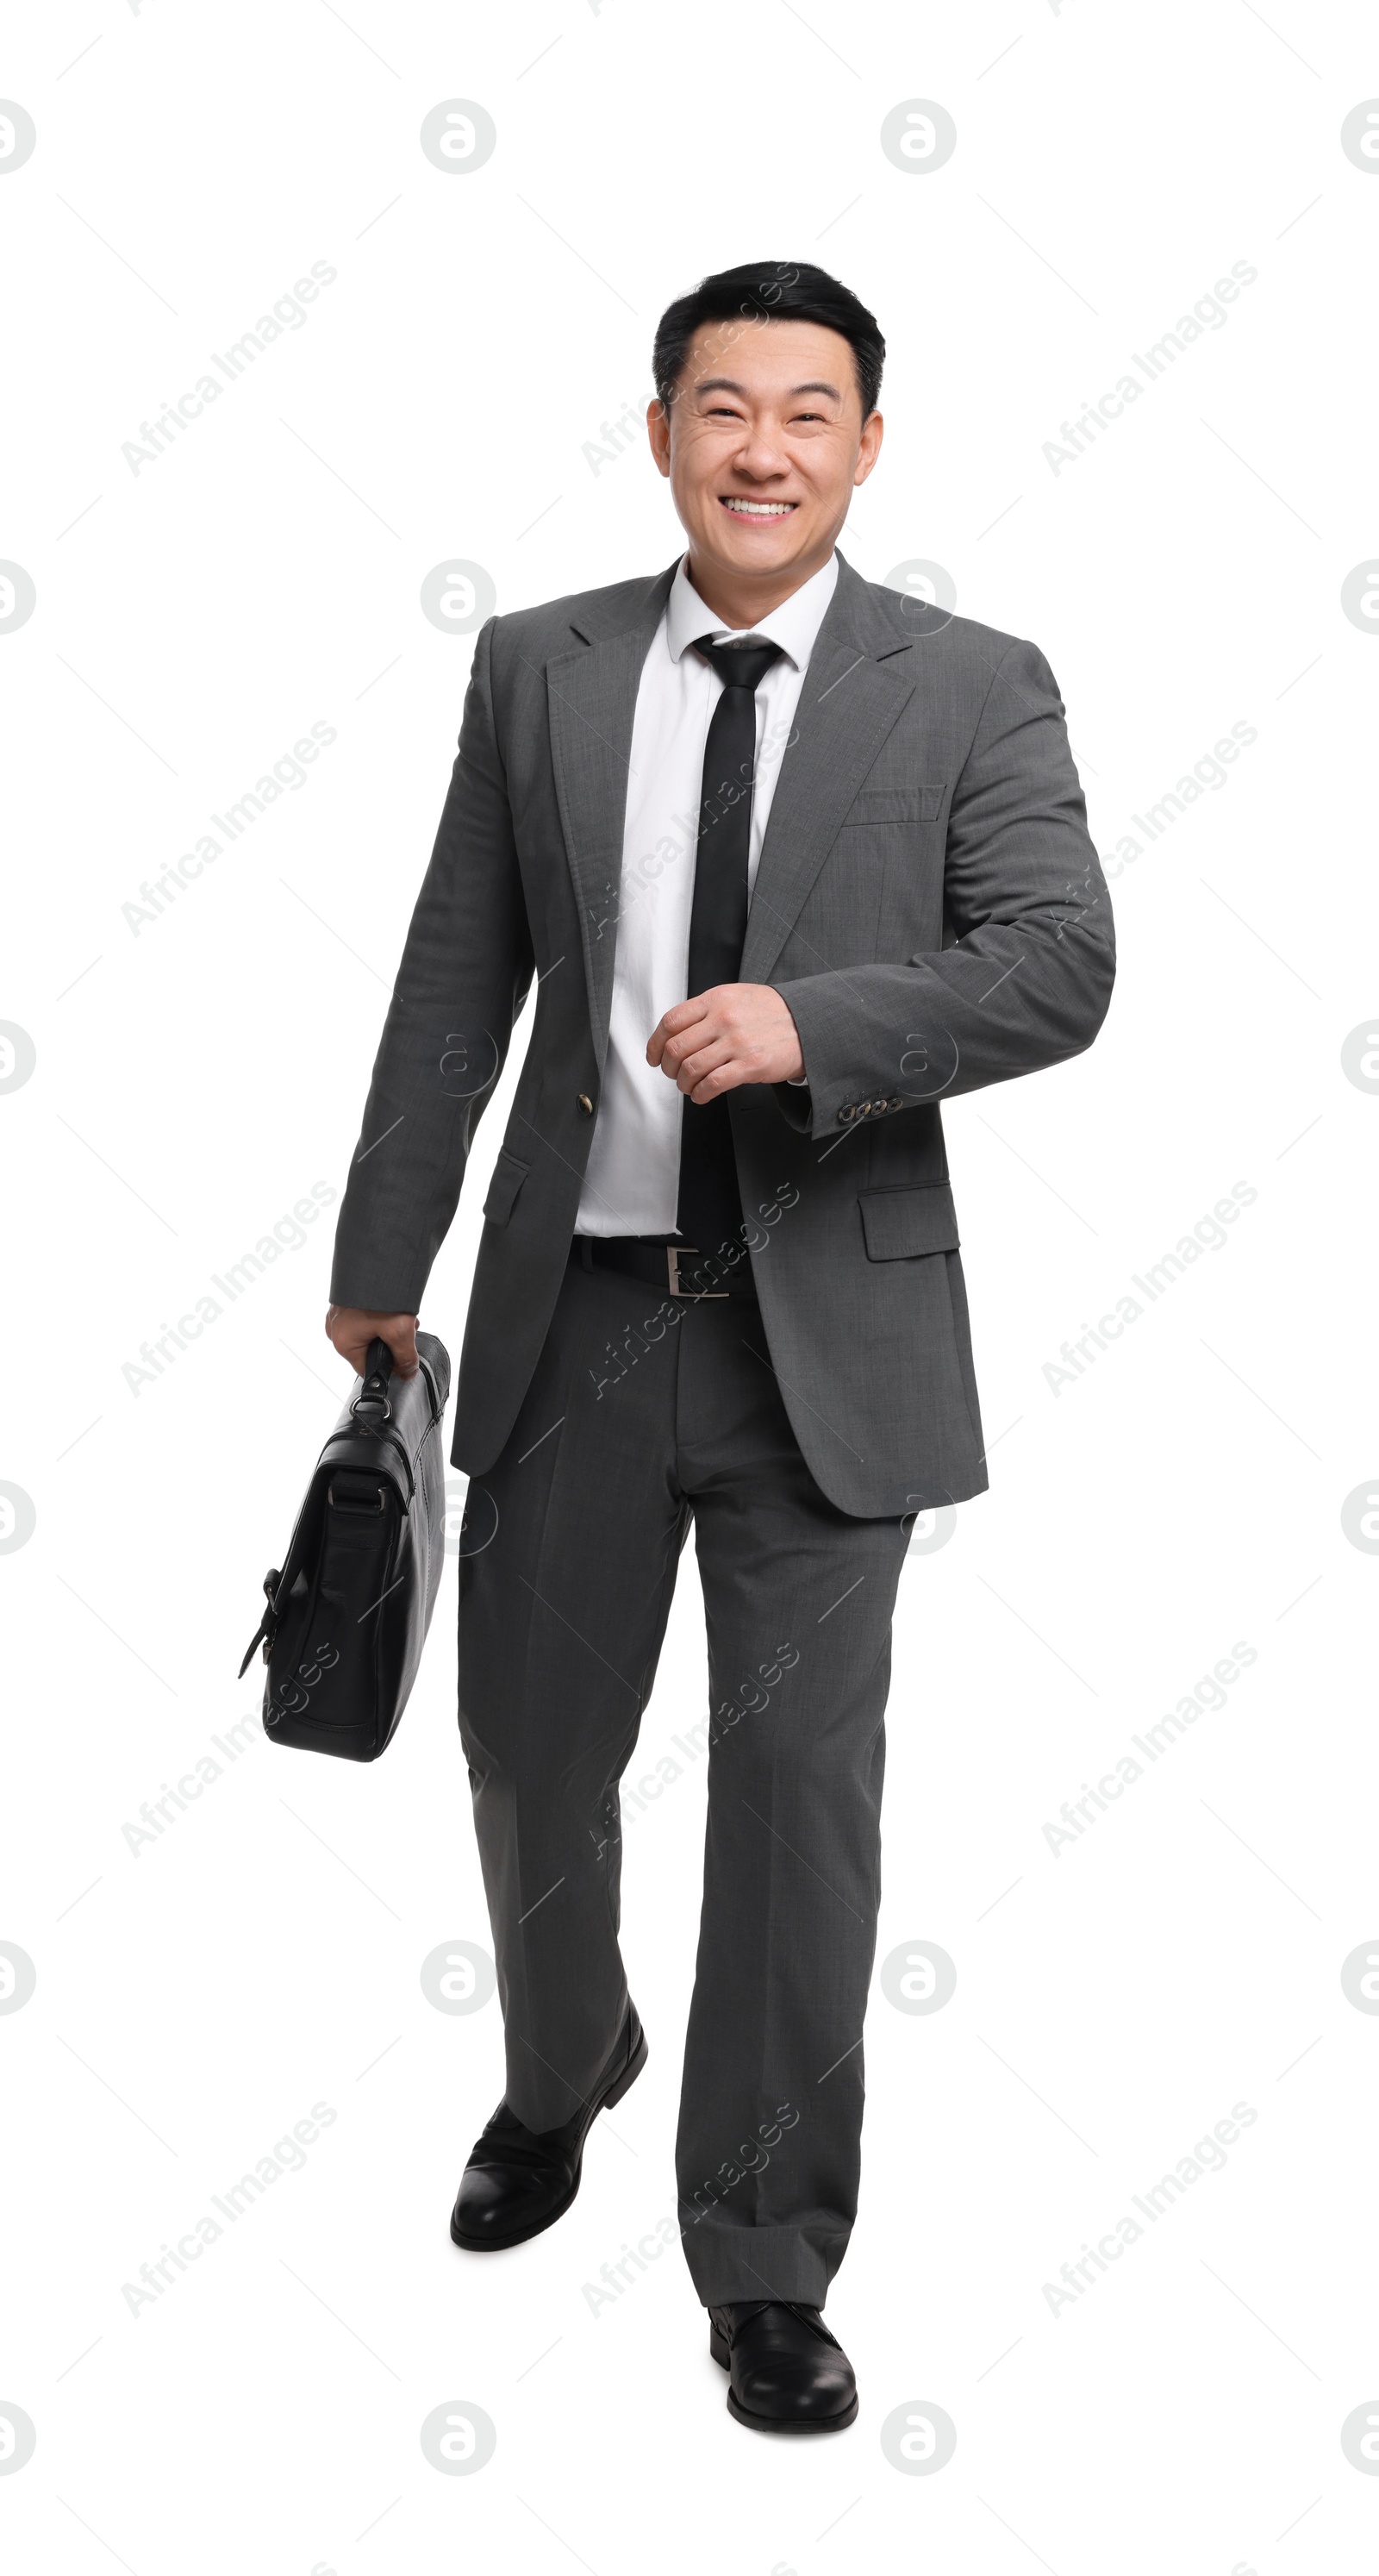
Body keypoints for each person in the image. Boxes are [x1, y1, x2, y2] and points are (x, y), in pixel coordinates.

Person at [324, 259, 1114, 2435]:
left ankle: (763, 2259)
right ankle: (560, 2069)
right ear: (659, 429)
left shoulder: (969, 685)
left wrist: (814, 1028)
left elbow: (1058, 965)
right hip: (571, 1323)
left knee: (791, 1812)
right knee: (523, 1765)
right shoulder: (542, 666)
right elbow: (450, 977)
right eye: (717, 407)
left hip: (817, 1351)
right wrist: (381, 1257)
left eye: (805, 412)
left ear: (867, 446)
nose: (758, 448)